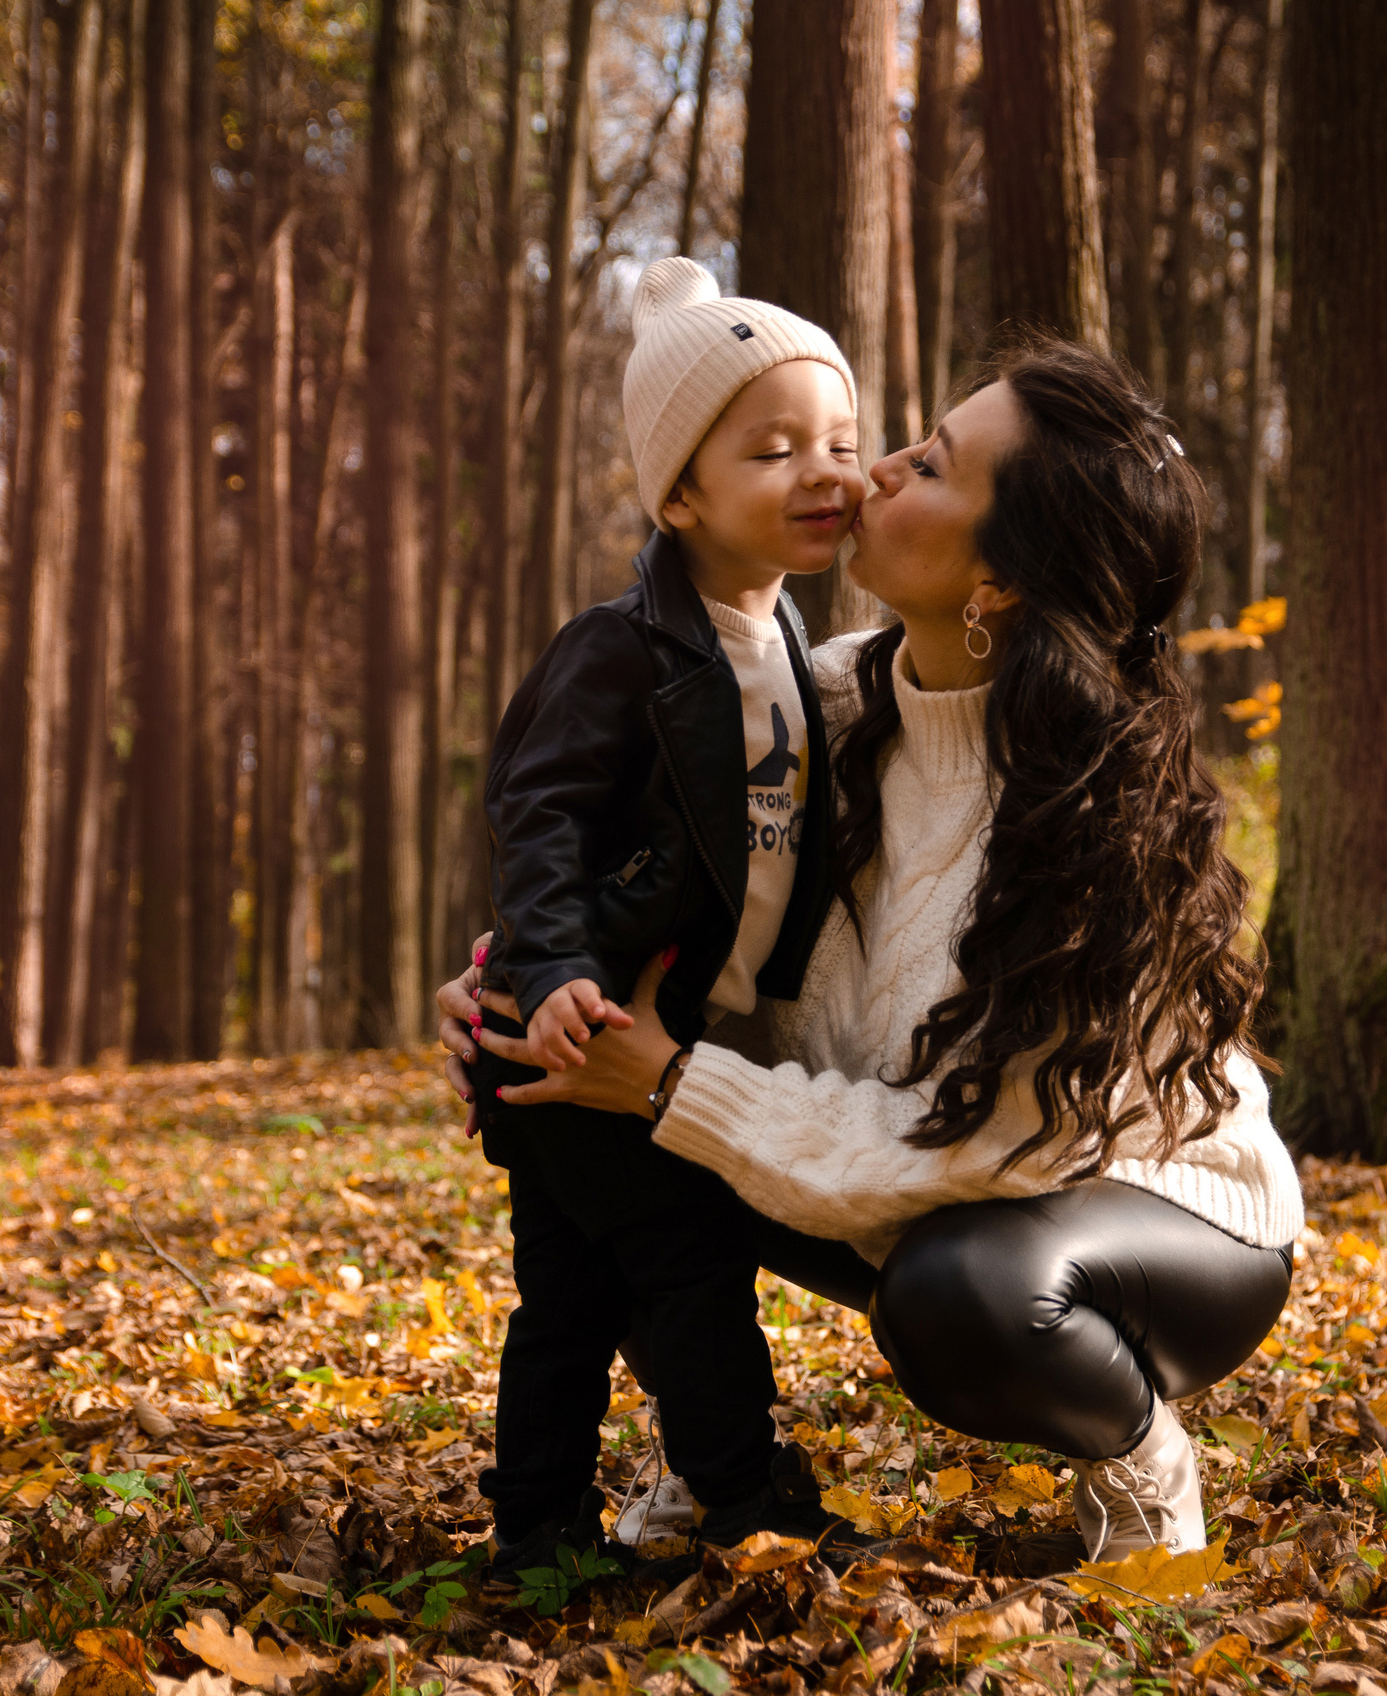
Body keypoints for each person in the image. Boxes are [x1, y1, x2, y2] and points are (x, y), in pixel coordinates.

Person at [443, 338, 1305, 1564]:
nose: (879, 469)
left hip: (1147, 1224)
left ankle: (1142, 1466)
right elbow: (639, 882)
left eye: (933, 465)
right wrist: (524, 983)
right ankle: (710, 1457)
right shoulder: (804, 710)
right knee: (621, 1140)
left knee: (957, 1290)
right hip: (909, 1175)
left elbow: (977, 1155)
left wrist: (668, 1080)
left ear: (998, 582)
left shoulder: (1090, 828)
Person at [467, 256, 864, 1581]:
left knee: (572, 1301)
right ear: (681, 496)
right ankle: (745, 1504)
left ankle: (539, 1531)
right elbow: (539, 816)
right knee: (688, 1278)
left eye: (841, 444)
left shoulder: (792, 650)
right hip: (579, 1033)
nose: (825, 473)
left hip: (666, 1030)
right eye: (775, 451)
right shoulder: (623, 648)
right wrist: (559, 966)